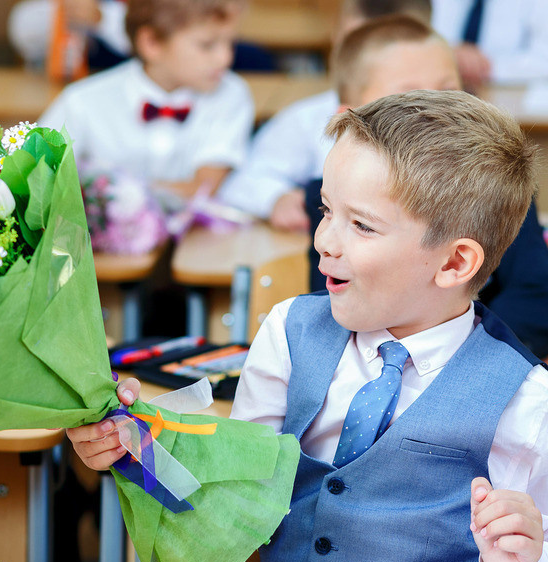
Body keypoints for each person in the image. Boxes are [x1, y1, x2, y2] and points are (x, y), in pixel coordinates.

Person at [69, 89, 548, 562]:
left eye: (361, 225)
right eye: (325, 210)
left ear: (455, 264)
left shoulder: (525, 400)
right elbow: (228, 493)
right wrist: (135, 444)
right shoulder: (288, 333)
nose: (325, 240)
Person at [301, 15, 548, 360]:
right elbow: (339, 305)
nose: (437, 108)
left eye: (448, 90)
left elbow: (535, 292)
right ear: (354, 118)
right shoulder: (334, 202)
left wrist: (457, 363)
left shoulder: (496, 189)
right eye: (409, 97)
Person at [217, 0, 434, 231]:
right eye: (353, 44)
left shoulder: (456, 130)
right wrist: (276, 199)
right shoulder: (308, 120)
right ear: (336, 37)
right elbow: (243, 182)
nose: (359, 59)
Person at [37, 0, 253, 200]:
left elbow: (203, 189)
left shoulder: (231, 95)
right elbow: (37, 175)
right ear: (151, 43)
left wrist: (109, 192)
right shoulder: (82, 101)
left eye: (231, 43)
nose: (226, 58)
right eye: (207, 45)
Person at [431, 0, 548, 89]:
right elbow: (424, 40)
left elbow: (543, 60)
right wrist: (449, 54)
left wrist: (482, 66)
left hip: (511, 99)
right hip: (449, 94)